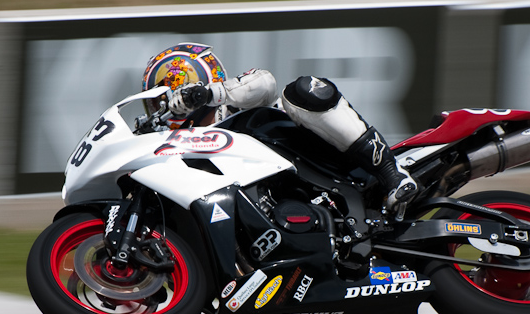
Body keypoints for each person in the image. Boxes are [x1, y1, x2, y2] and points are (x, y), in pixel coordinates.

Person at [141, 43, 418, 212]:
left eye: (163, 98)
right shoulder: (186, 149)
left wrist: (206, 95)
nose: (162, 109)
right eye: (155, 105)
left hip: (327, 162)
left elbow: (265, 83)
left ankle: (392, 174)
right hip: (291, 201)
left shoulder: (234, 98)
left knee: (300, 90)